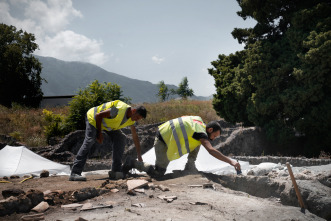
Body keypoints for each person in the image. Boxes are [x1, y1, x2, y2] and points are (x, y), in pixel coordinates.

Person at [123, 116, 241, 177]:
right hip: (162, 140)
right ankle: (132, 163)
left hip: (166, 133)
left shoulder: (198, 122)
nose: (214, 138)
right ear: (209, 129)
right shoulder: (201, 133)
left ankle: (190, 165)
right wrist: (231, 162)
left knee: (198, 143)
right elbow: (210, 150)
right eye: (214, 135)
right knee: (158, 173)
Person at [69, 100, 147, 181]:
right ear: (133, 111)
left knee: (120, 138)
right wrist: (99, 133)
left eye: (139, 119)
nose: (136, 120)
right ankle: (75, 173)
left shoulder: (132, 120)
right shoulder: (118, 109)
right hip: (93, 118)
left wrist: (139, 156)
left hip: (107, 125)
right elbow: (98, 115)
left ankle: (116, 170)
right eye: (137, 117)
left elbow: (135, 137)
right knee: (89, 140)